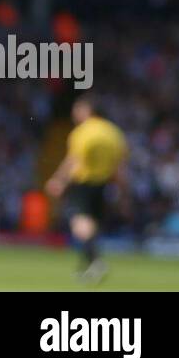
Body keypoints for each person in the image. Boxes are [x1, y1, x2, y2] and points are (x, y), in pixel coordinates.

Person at [45, 98, 127, 284]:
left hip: (83, 184)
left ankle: (95, 260)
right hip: (104, 185)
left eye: (77, 109)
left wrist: (59, 181)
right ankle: (87, 268)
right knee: (93, 226)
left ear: (87, 110)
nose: (75, 113)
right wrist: (124, 193)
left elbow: (73, 161)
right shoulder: (114, 133)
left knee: (80, 224)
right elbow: (120, 167)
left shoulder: (83, 132)